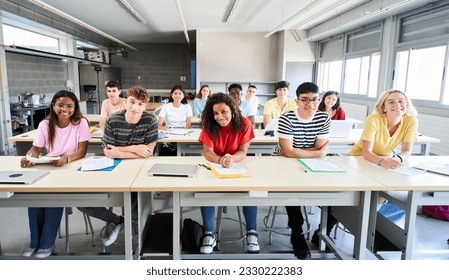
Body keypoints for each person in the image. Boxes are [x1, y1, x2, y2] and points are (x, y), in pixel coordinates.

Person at [78, 85, 158, 247]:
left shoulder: (150, 120)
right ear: (126, 101)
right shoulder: (113, 120)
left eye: (140, 104)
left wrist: (119, 152)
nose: (135, 108)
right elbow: (108, 152)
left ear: (145, 106)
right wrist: (135, 149)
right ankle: (117, 220)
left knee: (136, 194)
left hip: (138, 170)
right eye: (132, 102)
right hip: (111, 168)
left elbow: (148, 151)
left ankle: (135, 222)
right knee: (82, 201)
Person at [20, 90, 91, 258]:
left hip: (72, 167)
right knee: (34, 199)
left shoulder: (81, 123)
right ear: (53, 106)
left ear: (75, 108)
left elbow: (82, 151)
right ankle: (34, 243)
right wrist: (29, 157)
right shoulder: (45, 124)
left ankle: (46, 244)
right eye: (60, 105)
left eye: (69, 106)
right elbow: (36, 149)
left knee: (53, 199)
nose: (64, 109)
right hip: (50, 166)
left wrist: (65, 159)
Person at [197, 92, 259, 254]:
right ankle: (209, 233)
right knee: (206, 192)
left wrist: (231, 158)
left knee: (250, 191)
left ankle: (252, 232)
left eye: (223, 111)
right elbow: (207, 151)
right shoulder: (210, 125)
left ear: (232, 109)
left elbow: (243, 151)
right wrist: (219, 160)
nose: (219, 117)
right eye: (215, 113)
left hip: (236, 164)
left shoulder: (244, 123)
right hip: (214, 165)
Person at [276, 82, 331, 260]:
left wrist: (304, 152)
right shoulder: (287, 118)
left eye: (314, 100)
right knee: (292, 192)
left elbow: (300, 150)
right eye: (305, 100)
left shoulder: (324, 118)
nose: (310, 105)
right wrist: (318, 152)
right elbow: (290, 152)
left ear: (319, 100)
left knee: (339, 192)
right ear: (297, 101)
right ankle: (296, 232)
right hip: (286, 164)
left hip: (314, 164)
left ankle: (323, 231)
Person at [349, 89, 418, 222]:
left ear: (407, 105)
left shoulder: (411, 121)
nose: (397, 105)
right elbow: (366, 152)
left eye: (401, 101)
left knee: (381, 193)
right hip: (360, 159)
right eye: (391, 102)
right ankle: (331, 225)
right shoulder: (373, 119)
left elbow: (407, 150)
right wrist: (382, 161)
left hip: (384, 161)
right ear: (383, 107)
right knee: (355, 195)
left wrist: (396, 159)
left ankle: (367, 224)